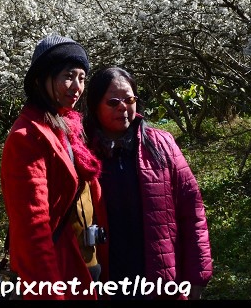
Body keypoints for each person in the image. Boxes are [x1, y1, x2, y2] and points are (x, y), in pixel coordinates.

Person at [83, 66, 213, 300]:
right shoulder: (81, 151)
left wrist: (197, 275)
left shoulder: (162, 144)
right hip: (105, 280)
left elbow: (192, 210)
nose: (123, 107)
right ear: (95, 105)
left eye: (129, 99)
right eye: (113, 102)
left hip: (158, 280)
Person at [0, 34, 108, 300]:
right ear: (41, 80)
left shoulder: (66, 127)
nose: (77, 86)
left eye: (82, 77)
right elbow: (32, 229)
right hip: (59, 271)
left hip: (83, 263)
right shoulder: (27, 137)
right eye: (69, 76)